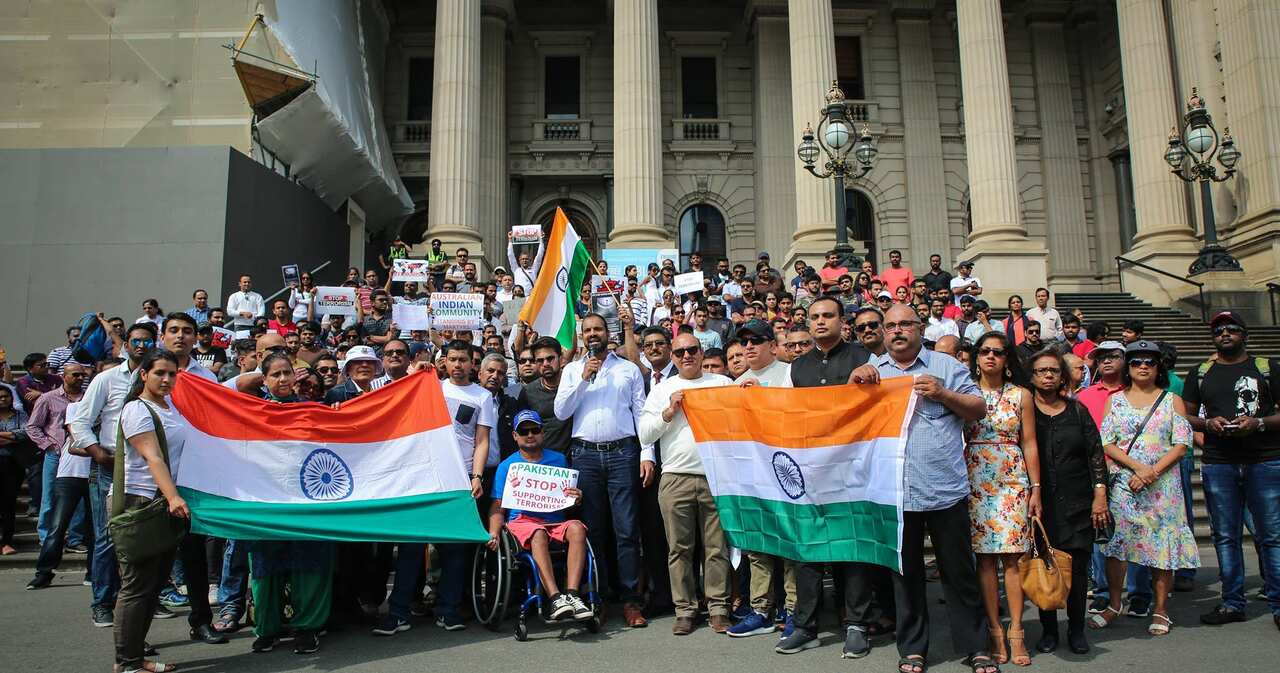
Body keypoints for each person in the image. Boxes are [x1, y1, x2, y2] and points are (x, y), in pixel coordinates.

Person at [848, 304, 997, 673]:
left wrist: (944, 394)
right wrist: (854, 384)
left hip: (944, 489)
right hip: (895, 494)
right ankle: (913, 649)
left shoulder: (946, 366)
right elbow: (849, 423)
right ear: (884, 332)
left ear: (920, 328)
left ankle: (976, 647)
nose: (898, 331)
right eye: (891, 326)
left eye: (905, 324)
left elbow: (978, 408)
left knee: (959, 574)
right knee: (906, 578)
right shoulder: (873, 372)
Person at [778, 297, 887, 658]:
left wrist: (872, 376)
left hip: (854, 470)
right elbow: (787, 413)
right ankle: (805, 627)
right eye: (815, 317)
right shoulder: (797, 368)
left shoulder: (865, 358)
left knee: (852, 549)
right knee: (807, 550)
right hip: (810, 472)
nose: (821, 321)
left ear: (843, 321)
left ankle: (857, 625)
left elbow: (884, 403)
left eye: (828, 315)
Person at [1090, 340, 1198, 636]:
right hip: (1126, 483)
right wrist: (1138, 468)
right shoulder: (1116, 400)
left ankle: (1161, 609)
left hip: (1163, 486)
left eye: (1150, 361)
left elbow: (1181, 444)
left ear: (1158, 367)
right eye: (1136, 361)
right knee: (1117, 546)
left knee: (1162, 547)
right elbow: (1106, 442)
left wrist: (1152, 472)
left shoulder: (1171, 400)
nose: (1143, 366)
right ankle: (1114, 604)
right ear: (1128, 367)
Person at [1180, 311, 1280, 629]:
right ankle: (1232, 602)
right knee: (1225, 536)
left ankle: (1278, 603)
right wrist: (1207, 423)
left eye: (1231, 329)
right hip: (1218, 462)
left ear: (1243, 334)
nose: (1224, 334)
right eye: (1218, 330)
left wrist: (1258, 422)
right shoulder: (1200, 373)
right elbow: (1186, 416)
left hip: (1264, 460)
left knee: (1272, 535)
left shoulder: (1267, 368)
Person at [554, 313, 653, 628]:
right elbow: (561, 411)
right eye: (587, 330)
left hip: (623, 453)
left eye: (598, 329)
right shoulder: (572, 370)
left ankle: (631, 600)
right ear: (582, 335)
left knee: (626, 530)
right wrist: (584, 378)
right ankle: (598, 596)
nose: (593, 334)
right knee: (593, 530)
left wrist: (647, 454)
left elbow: (641, 413)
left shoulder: (627, 369)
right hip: (585, 455)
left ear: (608, 334)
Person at [639, 333, 734, 635]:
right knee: (679, 549)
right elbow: (645, 434)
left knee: (716, 548)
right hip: (675, 477)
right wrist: (668, 412)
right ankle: (685, 610)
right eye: (680, 352)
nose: (686, 356)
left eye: (692, 350)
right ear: (672, 356)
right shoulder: (662, 389)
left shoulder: (722, 384)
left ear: (701, 352)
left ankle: (718, 608)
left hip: (716, 477)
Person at [68, 322, 158, 628]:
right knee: (108, 537)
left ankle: (144, 599)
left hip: (148, 468)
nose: (142, 346)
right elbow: (81, 421)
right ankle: (103, 602)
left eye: (148, 342)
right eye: (136, 341)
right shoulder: (106, 379)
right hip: (110, 466)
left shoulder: (160, 378)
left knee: (146, 538)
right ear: (126, 344)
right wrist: (98, 453)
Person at [111, 349, 191, 673]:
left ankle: (134, 657)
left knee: (153, 585)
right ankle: (127, 662)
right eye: (159, 372)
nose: (166, 379)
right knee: (136, 587)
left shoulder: (170, 407)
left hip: (162, 503)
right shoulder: (137, 409)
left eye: (172, 373)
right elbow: (152, 457)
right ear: (144, 374)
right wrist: (173, 497)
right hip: (141, 502)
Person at [965, 331, 1041, 667]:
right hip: (975, 478)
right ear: (977, 357)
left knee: (1013, 558)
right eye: (985, 351)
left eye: (998, 352)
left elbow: (1030, 443)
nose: (991, 357)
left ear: (1007, 359)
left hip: (1012, 477)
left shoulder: (1021, 394)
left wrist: (1036, 488)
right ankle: (995, 630)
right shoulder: (965, 392)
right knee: (984, 560)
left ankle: (1017, 630)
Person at [248, 352, 332, 654]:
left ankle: (307, 628)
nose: (283, 379)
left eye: (287, 373)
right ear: (264, 379)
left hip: (307, 501)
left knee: (310, 564)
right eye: (276, 374)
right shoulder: (249, 411)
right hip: (264, 501)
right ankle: (267, 629)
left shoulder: (312, 410)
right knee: (264, 568)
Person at [1028, 349, 1108, 655]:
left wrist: (1100, 493)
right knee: (1044, 566)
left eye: (1054, 370)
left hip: (1077, 501)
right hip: (1040, 504)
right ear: (1032, 376)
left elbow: (1095, 453)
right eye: (1041, 370)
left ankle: (1076, 630)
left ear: (1062, 376)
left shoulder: (1077, 410)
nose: (1048, 375)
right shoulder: (1026, 411)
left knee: (1077, 569)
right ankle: (1049, 630)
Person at [484, 410, 592, 621]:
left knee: (577, 529)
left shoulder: (559, 460)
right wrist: (494, 532)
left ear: (542, 433)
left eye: (535, 430)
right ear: (515, 436)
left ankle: (572, 595)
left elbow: (568, 497)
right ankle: (555, 597)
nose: (530, 435)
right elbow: (498, 505)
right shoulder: (507, 466)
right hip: (523, 523)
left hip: (555, 521)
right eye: (524, 431)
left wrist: (577, 496)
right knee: (538, 533)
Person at [728, 319, 796, 638]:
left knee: (791, 544)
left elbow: (798, 416)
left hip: (786, 470)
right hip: (752, 475)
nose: (749, 346)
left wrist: (764, 399)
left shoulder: (790, 374)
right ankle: (761, 610)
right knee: (757, 545)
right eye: (745, 342)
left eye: (756, 340)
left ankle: (794, 609)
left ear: (772, 345)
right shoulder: (738, 382)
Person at [438, 339, 495, 629]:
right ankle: (399, 612)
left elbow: (482, 440)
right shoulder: (432, 389)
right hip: (431, 477)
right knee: (413, 548)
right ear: (444, 362)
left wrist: (476, 476)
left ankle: (448, 610)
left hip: (462, 477)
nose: (458, 365)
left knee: (457, 549)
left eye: (463, 359)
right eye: (452, 359)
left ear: (473, 364)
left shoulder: (482, 396)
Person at [25, 361, 89, 553]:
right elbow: (32, 426)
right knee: (49, 496)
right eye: (75, 375)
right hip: (56, 454)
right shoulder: (48, 398)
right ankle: (46, 538)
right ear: (63, 376)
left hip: (80, 455)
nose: (80, 378)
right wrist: (48, 445)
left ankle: (75, 539)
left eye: (82, 375)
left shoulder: (88, 398)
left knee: (78, 500)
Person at [0, 385, 30, 555]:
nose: (3, 399)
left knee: (9, 502)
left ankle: (7, 541)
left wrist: (9, 436)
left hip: (13, 463)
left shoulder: (20, 415)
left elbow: (26, 433)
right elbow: (17, 435)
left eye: (6, 396)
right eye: (0, 397)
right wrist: (12, 437)